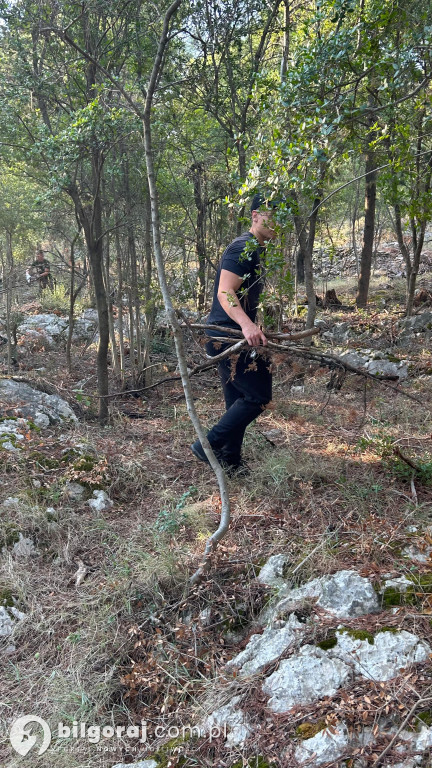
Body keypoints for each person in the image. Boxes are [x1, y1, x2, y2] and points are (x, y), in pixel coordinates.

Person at [190, 192, 278, 474]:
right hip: (227, 335)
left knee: (236, 401)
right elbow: (225, 291)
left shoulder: (258, 249)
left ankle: (230, 460)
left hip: (227, 334)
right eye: (271, 216)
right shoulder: (244, 247)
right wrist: (247, 325)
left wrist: (253, 323)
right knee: (258, 396)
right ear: (255, 216)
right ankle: (208, 444)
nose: (278, 223)